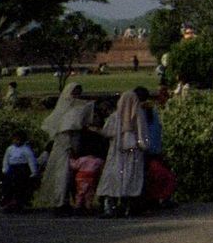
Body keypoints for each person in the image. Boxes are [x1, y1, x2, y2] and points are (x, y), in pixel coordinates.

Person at [37, 81, 93, 210]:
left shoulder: (79, 108)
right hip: (64, 147)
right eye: (75, 93)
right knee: (62, 176)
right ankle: (60, 202)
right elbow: (63, 129)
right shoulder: (64, 110)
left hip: (74, 146)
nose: (76, 96)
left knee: (73, 177)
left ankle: (70, 201)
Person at [97, 89, 147, 217]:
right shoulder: (138, 115)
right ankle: (127, 207)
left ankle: (111, 207)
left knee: (114, 178)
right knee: (129, 178)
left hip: (117, 153)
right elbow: (143, 136)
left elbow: (107, 132)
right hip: (132, 154)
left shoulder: (115, 117)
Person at [0, 129, 39, 212]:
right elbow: (6, 159)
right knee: (8, 186)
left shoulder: (26, 150)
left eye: (18, 140)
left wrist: (33, 172)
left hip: (21, 169)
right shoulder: (10, 149)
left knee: (20, 187)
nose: (17, 141)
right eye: (15, 139)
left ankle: (19, 203)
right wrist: (5, 169)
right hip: (12, 168)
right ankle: (8, 202)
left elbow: (31, 160)